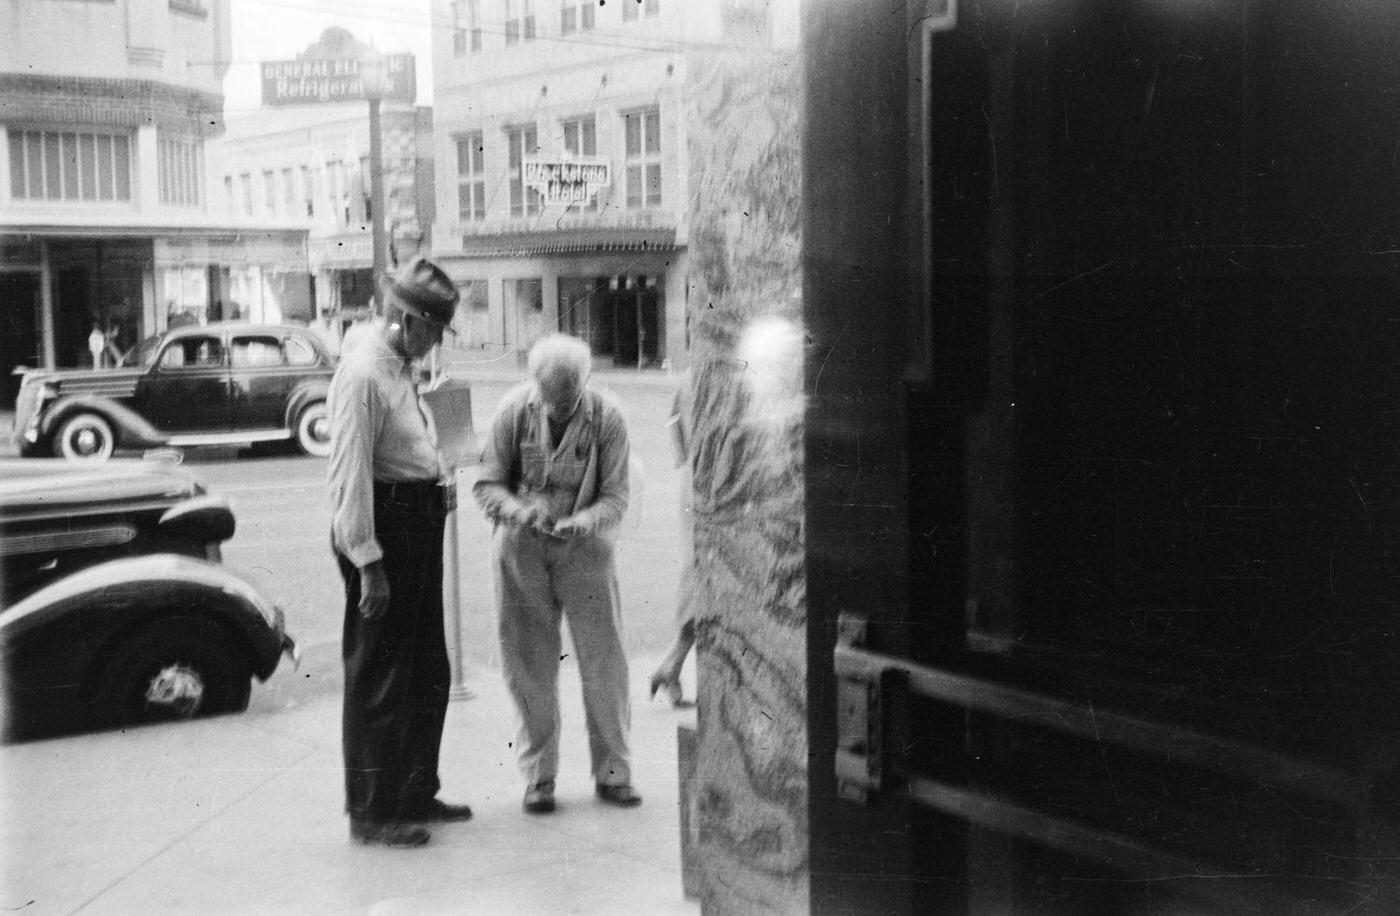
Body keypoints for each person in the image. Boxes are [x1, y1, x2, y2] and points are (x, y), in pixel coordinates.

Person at [327, 256, 473, 848]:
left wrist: (437, 474)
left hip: (415, 523)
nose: (436, 342)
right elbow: (349, 474)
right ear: (403, 321)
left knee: (424, 668)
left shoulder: (397, 364)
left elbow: (405, 439)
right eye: (433, 329)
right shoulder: (364, 374)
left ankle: (414, 790)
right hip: (384, 532)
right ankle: (373, 811)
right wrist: (368, 563)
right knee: (381, 676)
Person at [474, 333, 641, 814]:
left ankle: (614, 773)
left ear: (585, 385)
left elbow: (616, 495)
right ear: (534, 384)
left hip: (585, 546)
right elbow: (487, 484)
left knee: (604, 660)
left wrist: (582, 521)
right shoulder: (511, 411)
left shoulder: (609, 417)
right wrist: (521, 512)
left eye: (569, 400)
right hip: (521, 545)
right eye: (551, 400)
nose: (560, 409)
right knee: (528, 664)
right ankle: (538, 778)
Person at [649, 377, 696, 708]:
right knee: (703, 576)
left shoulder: (687, 379)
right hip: (711, 483)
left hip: (692, 480)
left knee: (698, 571)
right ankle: (672, 664)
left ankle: (673, 665)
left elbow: (675, 434)